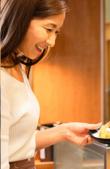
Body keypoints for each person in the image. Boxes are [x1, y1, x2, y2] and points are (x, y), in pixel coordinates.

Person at [1, 0, 101, 169]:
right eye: (48, 29)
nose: (52, 42)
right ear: (21, 19)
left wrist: (65, 131)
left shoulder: (17, 67)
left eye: (56, 32)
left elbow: (17, 143)